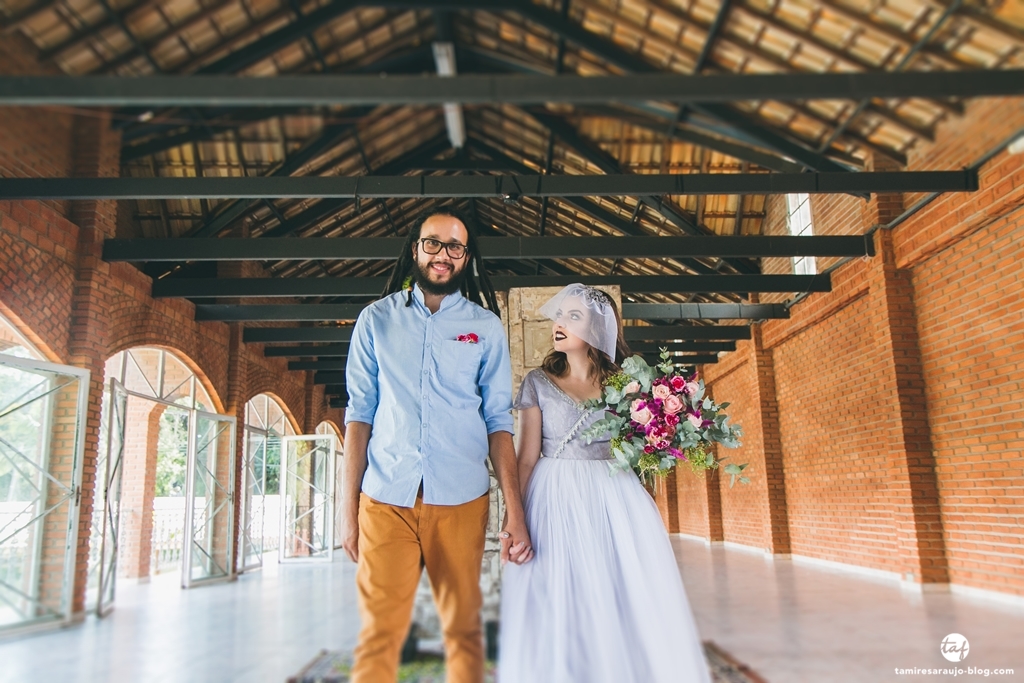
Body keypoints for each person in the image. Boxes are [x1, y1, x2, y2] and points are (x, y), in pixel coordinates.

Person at [341, 207, 533, 683]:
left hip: (462, 498)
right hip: (386, 498)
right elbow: (359, 416)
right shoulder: (374, 321)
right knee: (379, 633)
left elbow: (497, 422)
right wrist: (347, 512)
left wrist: (516, 510)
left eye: (455, 246)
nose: (442, 255)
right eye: (433, 243)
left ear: (466, 257)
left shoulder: (485, 327)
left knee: (463, 630)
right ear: (415, 249)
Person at [499, 284, 711, 683]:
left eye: (573, 316)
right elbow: (526, 457)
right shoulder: (538, 382)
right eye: (560, 315)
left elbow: (640, 449)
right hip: (554, 495)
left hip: (614, 494)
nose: (559, 323)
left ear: (598, 329)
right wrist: (515, 519)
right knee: (561, 594)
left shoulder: (627, 388)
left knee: (617, 594)